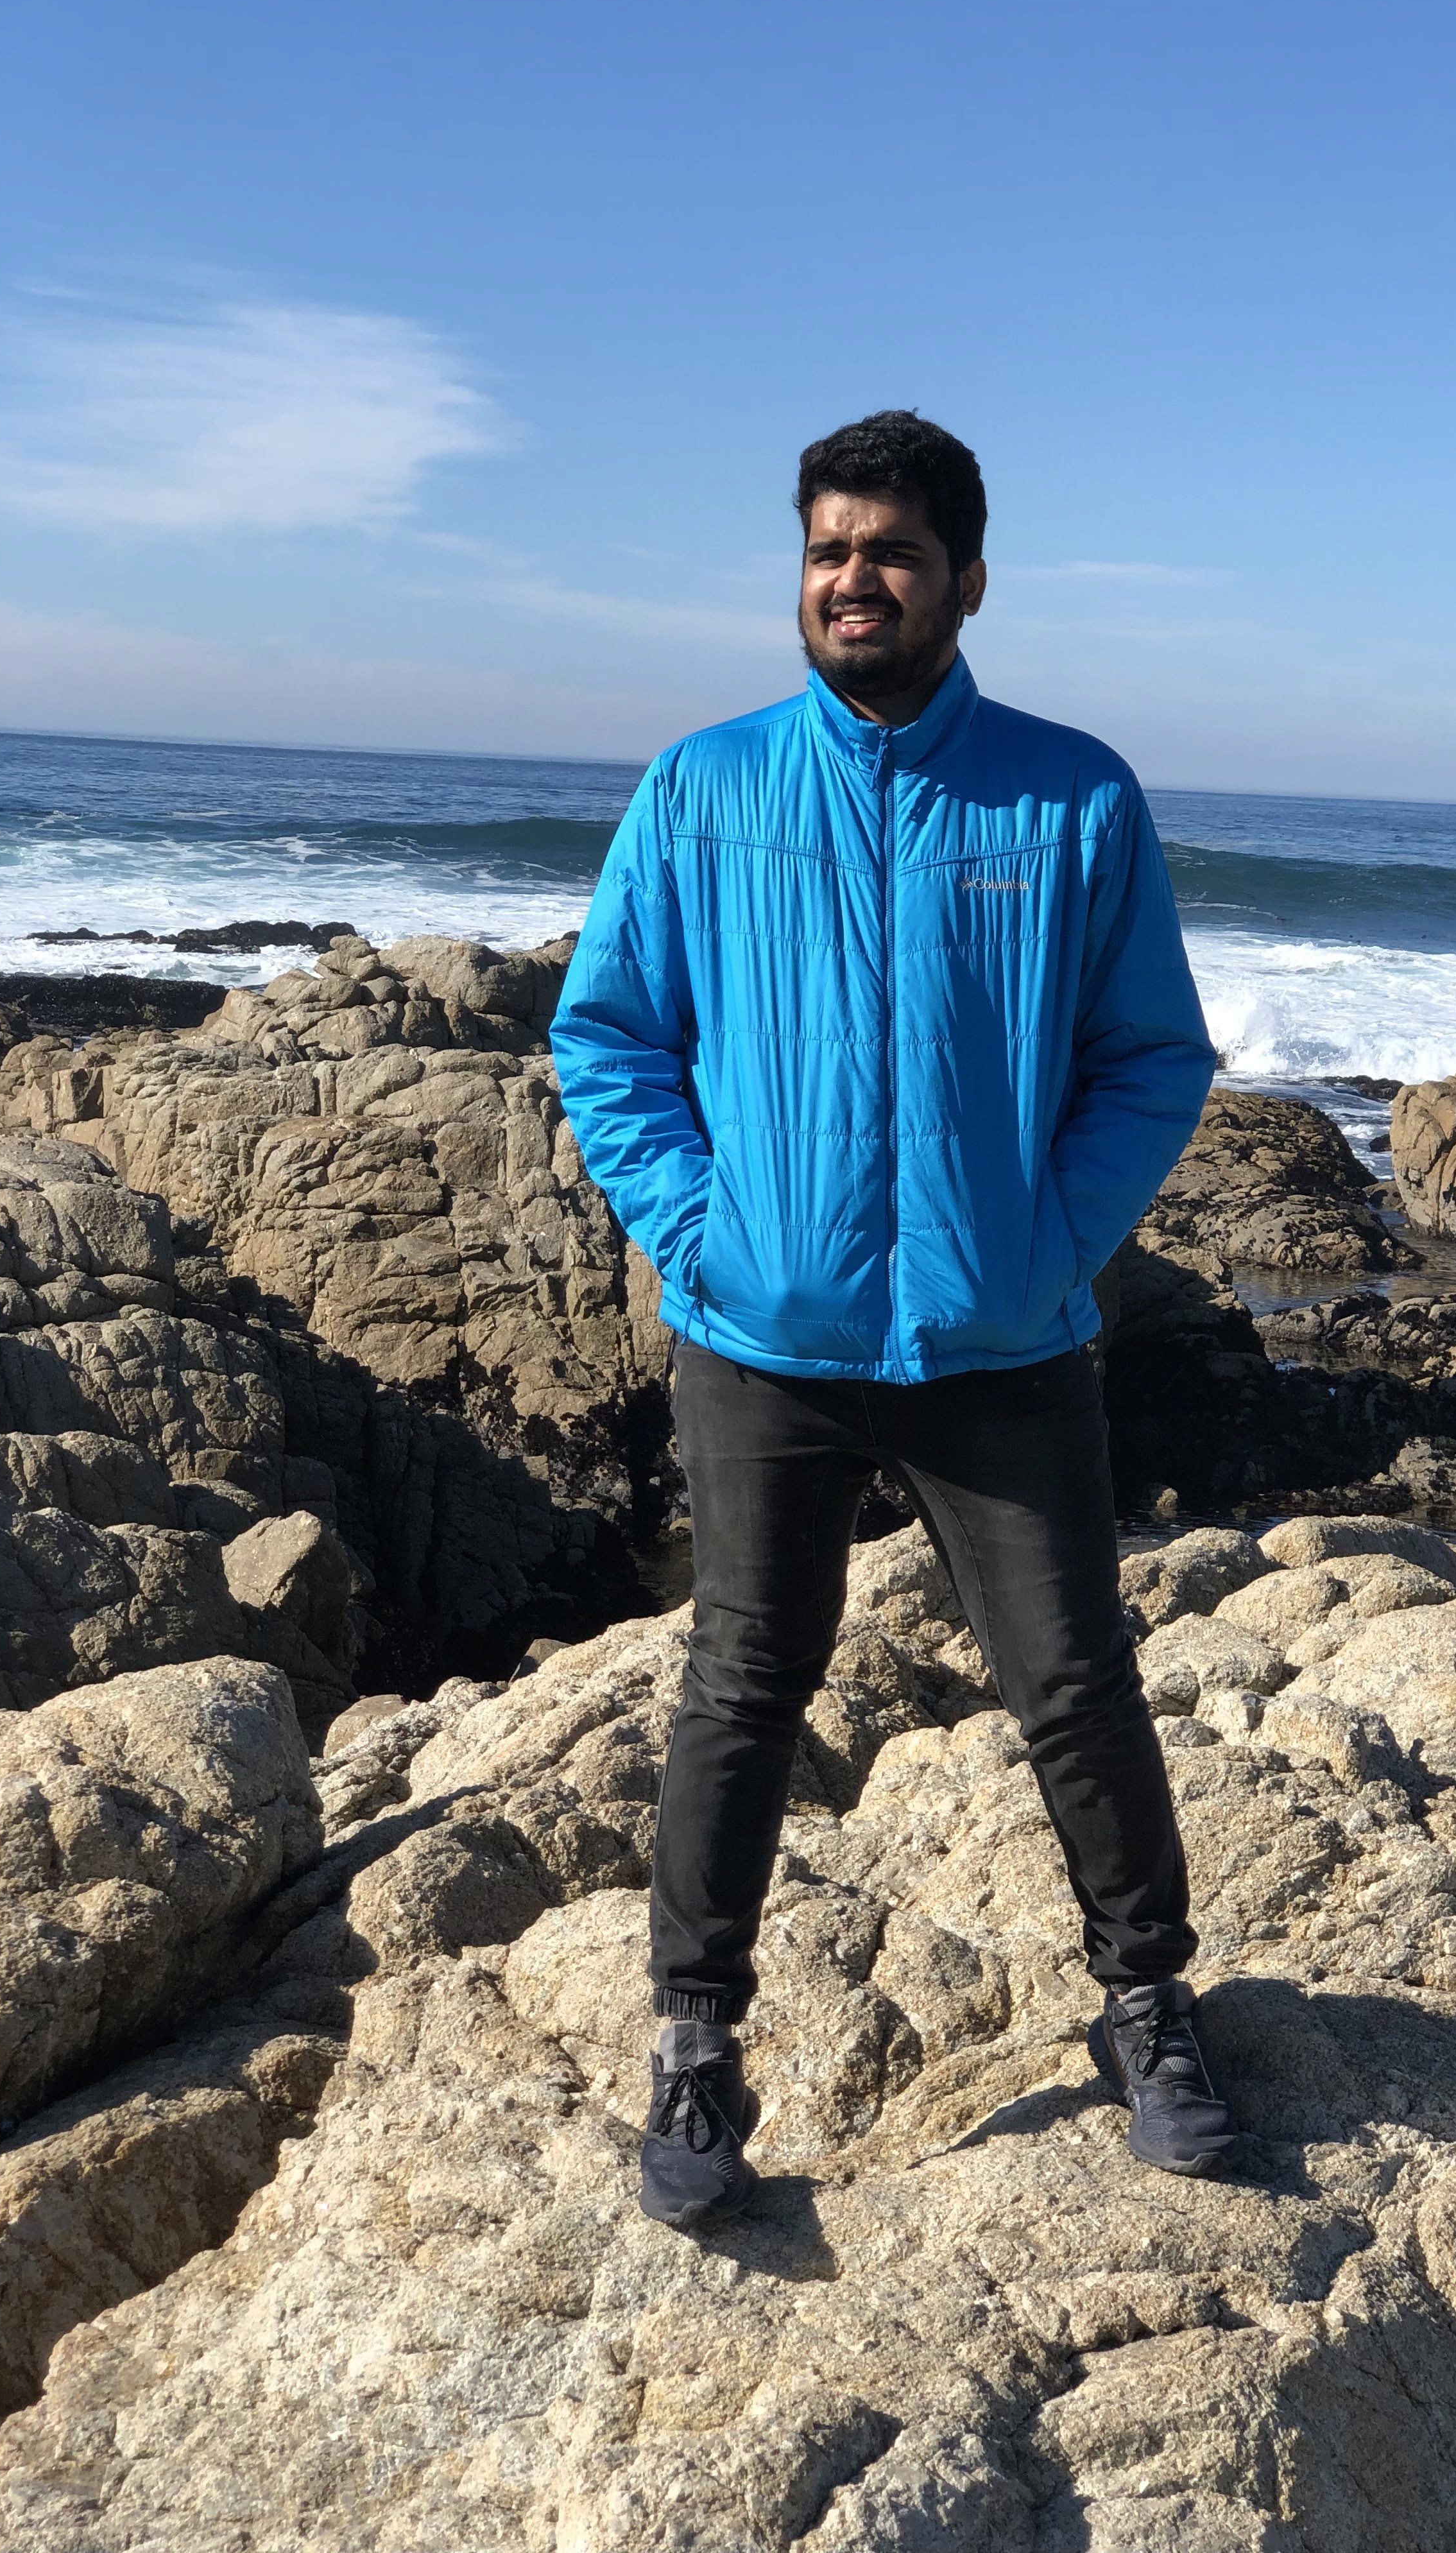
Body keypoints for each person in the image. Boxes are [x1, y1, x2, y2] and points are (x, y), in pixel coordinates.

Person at [552, 410, 1237, 2230]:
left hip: (1001, 1346)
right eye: (828, 551)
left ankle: (1150, 2010)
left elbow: (1152, 1056)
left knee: (1076, 1684)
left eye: (892, 553)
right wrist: (705, 1226)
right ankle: (696, 2045)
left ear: (965, 580)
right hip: (761, 1342)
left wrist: (1046, 1242)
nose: (854, 580)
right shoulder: (707, 788)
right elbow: (607, 1035)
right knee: (741, 1688)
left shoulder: (1069, 796)